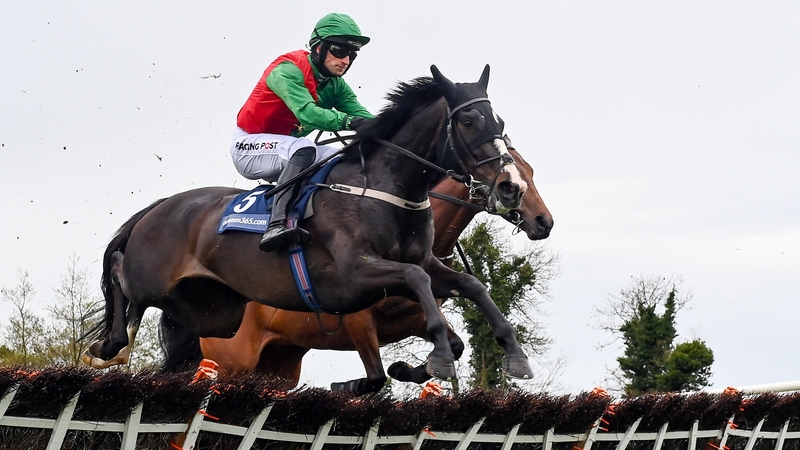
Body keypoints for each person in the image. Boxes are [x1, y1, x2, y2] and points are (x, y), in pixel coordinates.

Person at [231, 13, 375, 252]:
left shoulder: (336, 85)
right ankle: (275, 225)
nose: (346, 60)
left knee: (343, 158)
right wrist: (350, 121)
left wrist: (395, 127)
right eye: (339, 51)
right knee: (303, 147)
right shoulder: (287, 70)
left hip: (286, 149)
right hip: (248, 146)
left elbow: (364, 116)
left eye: (352, 54)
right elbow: (307, 113)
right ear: (319, 48)